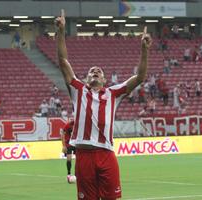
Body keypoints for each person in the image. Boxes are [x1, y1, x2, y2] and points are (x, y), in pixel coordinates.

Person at [55, 9, 151, 200]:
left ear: (106, 79)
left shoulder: (113, 94)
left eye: (99, 71)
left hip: (106, 155)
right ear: (86, 78)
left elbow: (140, 77)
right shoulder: (78, 89)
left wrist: (144, 50)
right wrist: (61, 32)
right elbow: (63, 61)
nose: (95, 72)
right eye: (91, 71)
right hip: (84, 156)